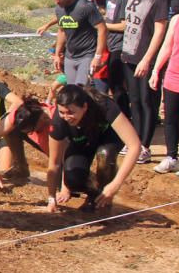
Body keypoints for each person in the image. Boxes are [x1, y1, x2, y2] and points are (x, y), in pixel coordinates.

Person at [46, 84, 140, 212]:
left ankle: (103, 200)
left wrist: (115, 185)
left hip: (108, 136)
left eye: (71, 112)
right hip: (81, 140)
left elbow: (135, 146)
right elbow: (54, 164)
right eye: (62, 112)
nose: (66, 117)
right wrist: (52, 199)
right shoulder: (58, 122)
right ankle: (95, 193)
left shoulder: (104, 105)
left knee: (105, 155)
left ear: (84, 107)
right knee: (72, 180)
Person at [121, 0, 169, 165]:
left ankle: (145, 146)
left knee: (147, 101)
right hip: (129, 53)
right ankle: (135, 141)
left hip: (145, 56)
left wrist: (147, 60)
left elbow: (159, 31)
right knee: (134, 100)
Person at [149, 0, 179, 178]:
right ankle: (171, 157)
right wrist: (156, 70)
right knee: (170, 120)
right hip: (173, 76)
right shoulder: (177, 19)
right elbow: (167, 46)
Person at [0, 97, 56, 189]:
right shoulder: (19, 114)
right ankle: (20, 168)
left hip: (64, 148)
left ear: (43, 119)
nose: (28, 134)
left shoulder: (55, 123)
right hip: (40, 132)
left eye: (30, 131)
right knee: (11, 130)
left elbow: (58, 159)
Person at [50, 0, 107, 86]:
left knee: (80, 90)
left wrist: (98, 56)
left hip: (87, 54)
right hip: (70, 56)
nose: (57, 1)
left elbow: (102, 29)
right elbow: (62, 31)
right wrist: (57, 54)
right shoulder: (59, 9)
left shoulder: (85, 6)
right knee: (72, 92)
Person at [96, 0, 130, 113]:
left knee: (117, 84)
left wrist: (104, 25)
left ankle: (123, 114)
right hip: (110, 43)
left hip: (119, 45)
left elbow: (124, 25)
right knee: (112, 82)